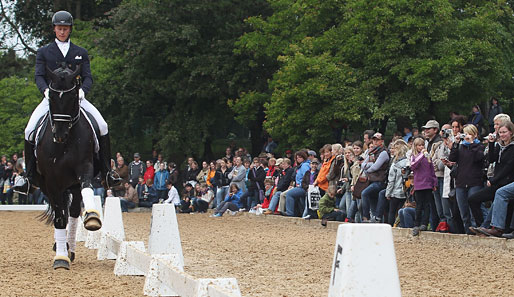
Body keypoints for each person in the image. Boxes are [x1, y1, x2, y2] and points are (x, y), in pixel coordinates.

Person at [24, 11, 113, 188]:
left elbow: (88, 77)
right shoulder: (44, 52)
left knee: (103, 126)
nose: (62, 32)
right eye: (59, 28)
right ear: (54, 29)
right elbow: (39, 76)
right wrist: (46, 91)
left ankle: (107, 173)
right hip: (52, 99)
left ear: (70, 29)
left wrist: (83, 92)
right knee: (29, 130)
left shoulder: (80, 52)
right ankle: (28, 177)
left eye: (65, 29)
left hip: (76, 99)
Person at [468, 121, 514, 236]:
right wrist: (492, 144)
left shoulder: (512, 148)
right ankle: (482, 226)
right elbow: (492, 159)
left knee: (499, 197)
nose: (502, 135)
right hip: (497, 182)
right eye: (500, 132)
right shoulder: (500, 145)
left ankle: (487, 227)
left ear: (511, 132)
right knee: (473, 199)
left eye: (504, 132)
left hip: (505, 181)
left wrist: (493, 180)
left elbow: (508, 167)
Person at [447, 124, 485, 234]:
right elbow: (452, 158)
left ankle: (477, 230)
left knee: (473, 209)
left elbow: (478, 158)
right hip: (461, 182)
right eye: (465, 133)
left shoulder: (479, 146)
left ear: (475, 135)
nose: (467, 136)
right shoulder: (460, 146)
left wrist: (472, 144)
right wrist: (456, 144)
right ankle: (467, 232)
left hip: (474, 182)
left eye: (469, 134)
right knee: (463, 212)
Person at [410, 137, 438, 236]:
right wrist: (422, 155)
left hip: (427, 184)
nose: (421, 147)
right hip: (419, 184)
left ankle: (424, 223)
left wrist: (434, 183)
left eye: (422, 145)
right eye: (419, 145)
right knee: (419, 205)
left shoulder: (428, 157)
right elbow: (413, 166)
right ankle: (416, 224)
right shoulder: (414, 156)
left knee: (427, 205)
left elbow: (432, 170)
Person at [361, 133, 390, 222]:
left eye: (377, 140)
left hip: (380, 181)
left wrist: (367, 168)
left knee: (364, 193)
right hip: (372, 180)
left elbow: (375, 167)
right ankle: (374, 220)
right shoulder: (372, 151)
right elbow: (362, 164)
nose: (375, 142)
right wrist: (369, 165)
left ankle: (366, 217)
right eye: (374, 140)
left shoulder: (384, 152)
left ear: (382, 141)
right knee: (372, 200)